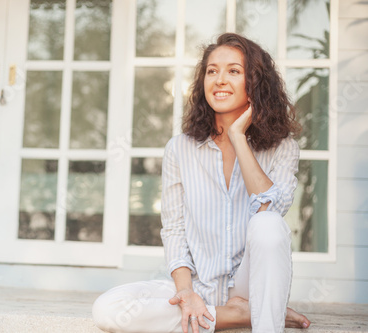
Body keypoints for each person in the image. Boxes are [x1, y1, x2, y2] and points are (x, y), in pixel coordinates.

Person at [92, 33, 311, 333]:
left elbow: (270, 207)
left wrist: (238, 136)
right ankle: (244, 315)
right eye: (212, 71)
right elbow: (174, 229)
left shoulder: (283, 148)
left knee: (268, 224)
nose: (219, 79)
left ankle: (256, 314)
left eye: (234, 71)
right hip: (198, 288)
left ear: (256, 83)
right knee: (109, 310)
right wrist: (185, 293)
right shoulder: (179, 149)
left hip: (248, 286)